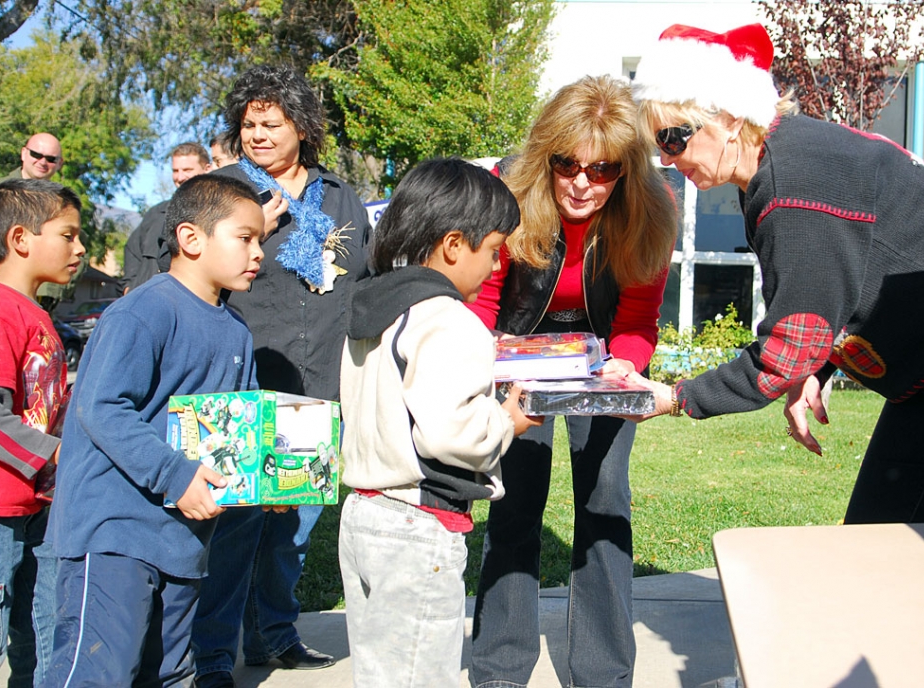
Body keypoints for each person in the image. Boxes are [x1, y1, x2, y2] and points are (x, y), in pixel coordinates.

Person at [628, 22, 924, 524]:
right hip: (920, 386)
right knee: (878, 544)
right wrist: (818, 365)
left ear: (727, 117)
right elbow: (841, 286)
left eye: (673, 138)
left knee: (885, 552)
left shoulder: (793, 188)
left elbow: (790, 346)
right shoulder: (783, 164)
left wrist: (676, 396)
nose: (665, 157)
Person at [467, 75, 678, 688]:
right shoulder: (505, 193)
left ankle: (603, 673)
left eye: (604, 168)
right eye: (567, 164)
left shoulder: (650, 210)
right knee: (514, 501)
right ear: (545, 156)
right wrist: (483, 365)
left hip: (603, 356)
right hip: (514, 356)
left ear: (627, 170)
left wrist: (627, 366)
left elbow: (637, 319)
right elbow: (483, 299)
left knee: (606, 500)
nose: (583, 182)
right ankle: (500, 671)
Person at [43, 174, 267, 686]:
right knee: (100, 672)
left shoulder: (236, 329)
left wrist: (263, 479)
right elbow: (101, 408)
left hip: (184, 542)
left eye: (261, 240)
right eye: (245, 237)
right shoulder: (143, 311)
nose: (258, 253)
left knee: (167, 674)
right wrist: (176, 476)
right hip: (116, 533)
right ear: (190, 239)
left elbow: (240, 425)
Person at [191, 64, 371, 688]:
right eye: (248, 124)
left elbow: (364, 281)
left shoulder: (341, 196)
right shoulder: (222, 190)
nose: (258, 134)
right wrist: (254, 227)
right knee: (236, 525)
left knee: (293, 528)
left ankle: (275, 636)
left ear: (302, 125)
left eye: (271, 123)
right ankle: (213, 655)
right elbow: (189, 270)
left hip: (320, 383)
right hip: (240, 384)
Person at [338, 157, 540, 687]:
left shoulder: (373, 309)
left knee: (383, 674)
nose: (497, 267)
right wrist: (507, 422)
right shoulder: (450, 321)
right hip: (417, 526)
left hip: (362, 515)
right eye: (494, 251)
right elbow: (453, 434)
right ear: (454, 245)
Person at [0, 178, 83, 687]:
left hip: (32, 504)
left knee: (36, 635)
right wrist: (61, 455)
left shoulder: (35, 313)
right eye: (68, 234)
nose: (79, 249)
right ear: (20, 239)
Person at [0, 133, 65, 302]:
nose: (42, 162)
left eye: (50, 158)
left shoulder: (62, 204)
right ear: (24, 153)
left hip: (40, 301)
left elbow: (76, 247)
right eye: (36, 155)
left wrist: (60, 286)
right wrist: (9, 258)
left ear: (59, 163)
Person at [120, 142, 213, 294]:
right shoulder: (156, 213)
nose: (180, 177)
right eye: (175, 170)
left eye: (187, 170)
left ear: (207, 169)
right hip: (145, 304)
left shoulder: (216, 214)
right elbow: (132, 250)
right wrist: (129, 287)